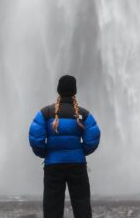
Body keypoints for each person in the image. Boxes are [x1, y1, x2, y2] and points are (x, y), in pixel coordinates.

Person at [28, 74, 101, 218]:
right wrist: (80, 151)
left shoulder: (45, 113)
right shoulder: (83, 114)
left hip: (53, 166)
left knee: (52, 206)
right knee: (82, 204)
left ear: (58, 90)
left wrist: (46, 153)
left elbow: (36, 138)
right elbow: (93, 138)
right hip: (77, 165)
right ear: (75, 91)